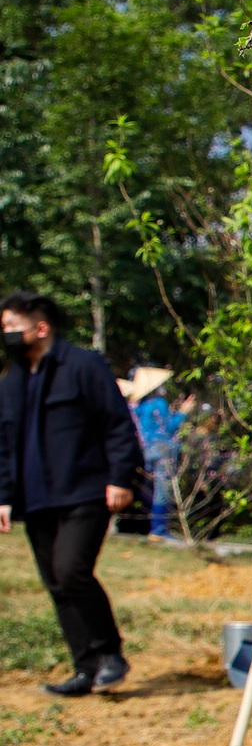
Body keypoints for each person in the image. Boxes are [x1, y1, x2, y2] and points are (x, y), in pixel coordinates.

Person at [0, 293, 144, 695]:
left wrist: (120, 477)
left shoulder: (84, 366)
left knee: (72, 571)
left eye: (12, 326)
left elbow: (117, 425)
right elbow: (5, 443)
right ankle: (86, 668)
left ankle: (111, 653)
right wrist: (4, 496)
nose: (6, 335)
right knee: (56, 583)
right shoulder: (12, 381)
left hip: (86, 491)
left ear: (40, 327)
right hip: (36, 498)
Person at [125, 367, 190, 540]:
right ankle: (159, 529)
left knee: (143, 488)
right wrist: (183, 412)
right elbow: (167, 429)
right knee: (163, 490)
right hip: (162, 450)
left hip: (143, 450)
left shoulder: (135, 406)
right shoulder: (158, 403)